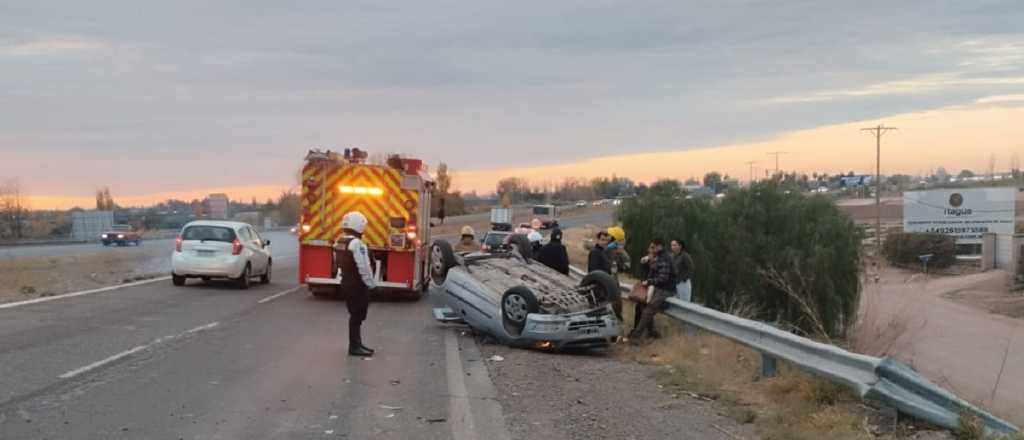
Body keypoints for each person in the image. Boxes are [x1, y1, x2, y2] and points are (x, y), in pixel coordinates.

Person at [335, 211, 377, 357]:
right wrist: (372, 285)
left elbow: (338, 265)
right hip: (357, 285)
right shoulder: (357, 244)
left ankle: (357, 344)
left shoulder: (339, 242)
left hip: (346, 282)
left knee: (355, 315)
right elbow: (364, 268)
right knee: (357, 315)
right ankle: (354, 346)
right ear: (359, 226)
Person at [630, 239, 677, 341]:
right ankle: (652, 333)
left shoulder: (664, 258)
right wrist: (646, 263)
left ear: (659, 247)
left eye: (652, 247)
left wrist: (649, 282)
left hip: (664, 289)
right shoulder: (658, 257)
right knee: (643, 307)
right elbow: (650, 272)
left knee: (649, 309)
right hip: (658, 287)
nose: (650, 249)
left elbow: (663, 278)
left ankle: (636, 337)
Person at [588, 231, 620, 319]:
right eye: (602, 240)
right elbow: (593, 271)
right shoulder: (595, 252)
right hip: (598, 285)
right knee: (598, 308)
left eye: (606, 240)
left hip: (604, 284)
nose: (604, 242)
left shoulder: (602, 251)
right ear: (597, 240)